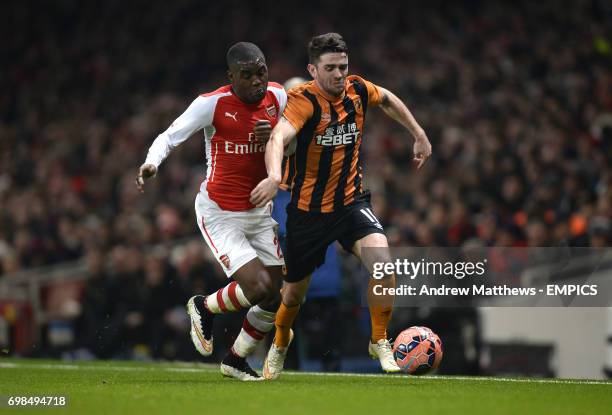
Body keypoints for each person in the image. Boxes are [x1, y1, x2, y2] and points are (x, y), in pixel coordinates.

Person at [249, 33, 432, 379]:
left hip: (349, 203)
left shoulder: (357, 89)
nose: (338, 74)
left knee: (382, 261)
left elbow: (389, 98)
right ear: (312, 70)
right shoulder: (301, 101)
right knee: (292, 297)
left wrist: (418, 133)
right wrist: (274, 176)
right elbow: (278, 138)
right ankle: (279, 344)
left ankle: (379, 340)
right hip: (307, 214)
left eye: (343, 67)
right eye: (330, 68)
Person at [136, 42, 287, 381]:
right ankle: (205, 306)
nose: (256, 81)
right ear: (230, 76)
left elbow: (292, 144)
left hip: (259, 212)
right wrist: (151, 163)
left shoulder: (278, 98)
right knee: (260, 286)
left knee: (275, 299)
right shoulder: (212, 104)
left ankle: (234, 359)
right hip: (220, 212)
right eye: (246, 76)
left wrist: (276, 135)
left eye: (260, 72)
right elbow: (169, 136)